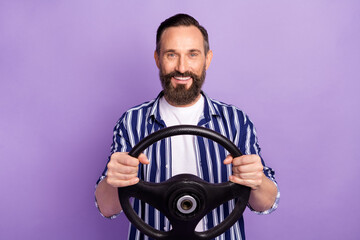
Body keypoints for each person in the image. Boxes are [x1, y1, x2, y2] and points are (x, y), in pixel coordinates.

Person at [95, 13, 280, 240]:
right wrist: (114, 180)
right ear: (157, 58)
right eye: (171, 55)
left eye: (193, 54)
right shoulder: (131, 122)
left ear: (207, 59)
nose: (182, 67)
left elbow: (266, 204)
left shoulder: (236, 121)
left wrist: (257, 179)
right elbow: (107, 207)